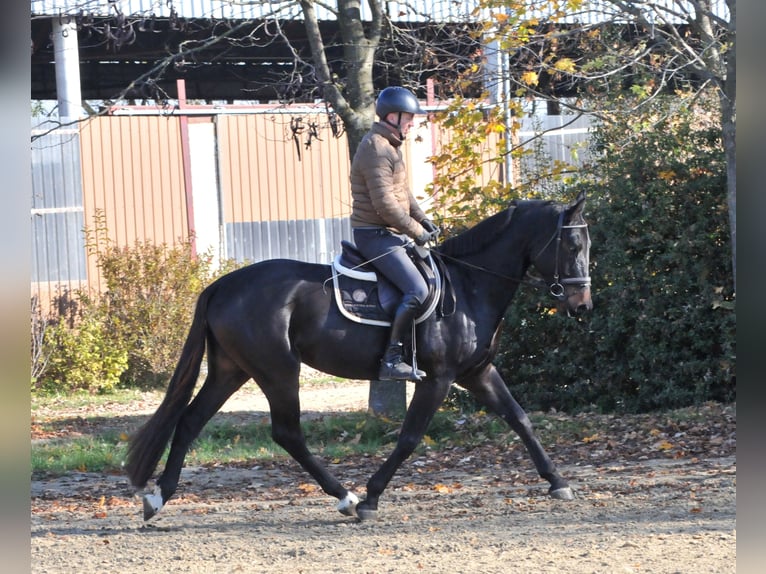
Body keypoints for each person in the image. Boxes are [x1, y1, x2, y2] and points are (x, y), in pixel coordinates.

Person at [349, 86, 440, 382]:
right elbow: (386, 205)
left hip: (388, 233)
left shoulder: (390, 146)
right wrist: (416, 232)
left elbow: (402, 194)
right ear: (393, 116)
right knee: (418, 290)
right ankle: (391, 359)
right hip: (374, 235)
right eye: (409, 118)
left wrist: (424, 220)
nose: (412, 123)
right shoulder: (376, 147)